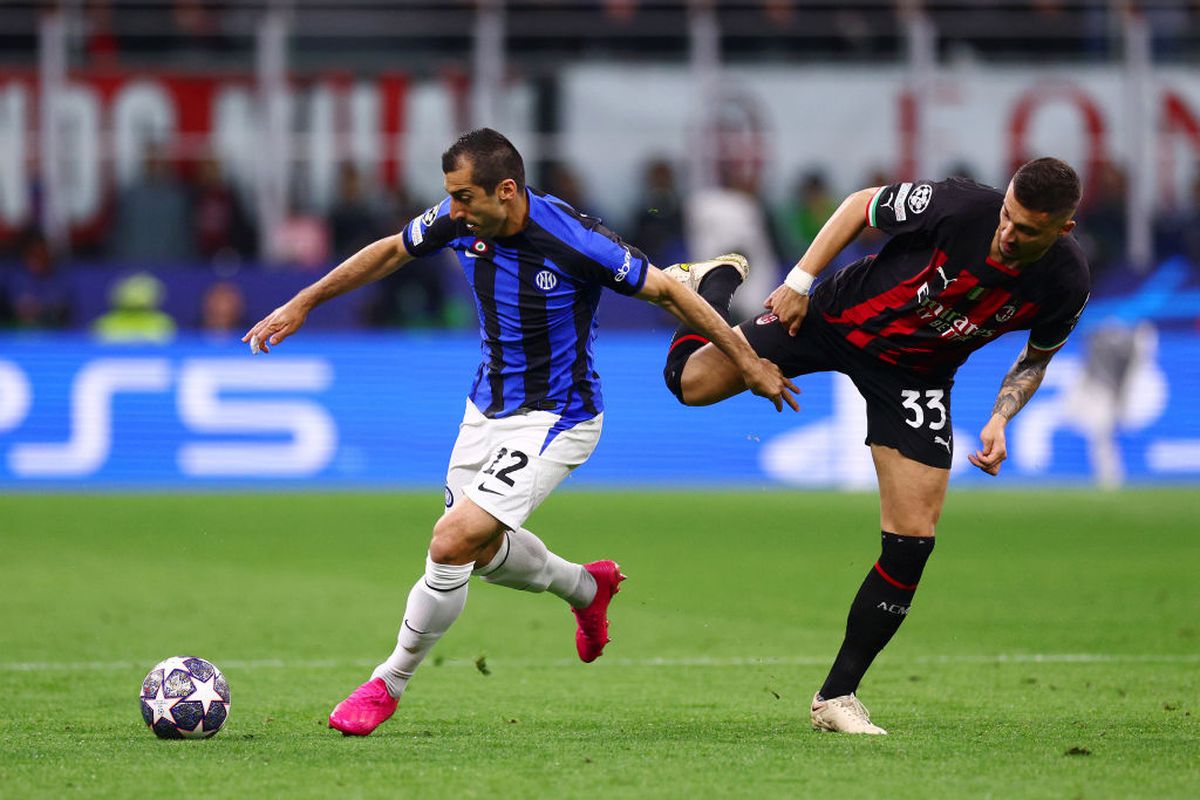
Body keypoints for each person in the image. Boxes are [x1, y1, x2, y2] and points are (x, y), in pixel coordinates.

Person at [242, 128, 797, 737]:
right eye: (449, 197)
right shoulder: (462, 220)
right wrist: (304, 301)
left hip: (559, 416)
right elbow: (391, 250)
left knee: (452, 542)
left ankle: (387, 682)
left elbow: (665, 290)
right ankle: (587, 588)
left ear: (506, 191)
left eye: (463, 198)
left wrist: (746, 362)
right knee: (475, 553)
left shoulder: (573, 240)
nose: (452, 212)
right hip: (485, 408)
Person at [662, 157, 1090, 734]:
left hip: (915, 377)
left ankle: (836, 697)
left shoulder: (1066, 283)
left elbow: (1035, 360)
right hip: (832, 317)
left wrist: (1000, 416)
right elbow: (860, 204)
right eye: (1008, 217)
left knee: (913, 541)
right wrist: (797, 283)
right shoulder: (962, 206)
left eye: (1027, 230)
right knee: (689, 384)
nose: (1008, 234)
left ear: (1062, 229)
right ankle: (709, 284)